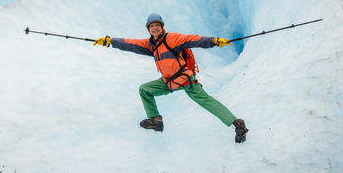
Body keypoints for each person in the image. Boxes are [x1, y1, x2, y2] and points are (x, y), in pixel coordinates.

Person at [94, 13, 248, 143]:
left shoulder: (171, 38)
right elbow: (130, 43)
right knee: (145, 90)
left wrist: (213, 41)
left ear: (162, 27)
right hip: (169, 82)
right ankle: (155, 120)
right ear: (148, 29)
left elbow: (192, 39)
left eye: (157, 25)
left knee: (205, 101)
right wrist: (110, 41)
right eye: (151, 26)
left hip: (184, 79)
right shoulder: (151, 45)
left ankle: (238, 124)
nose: (155, 28)